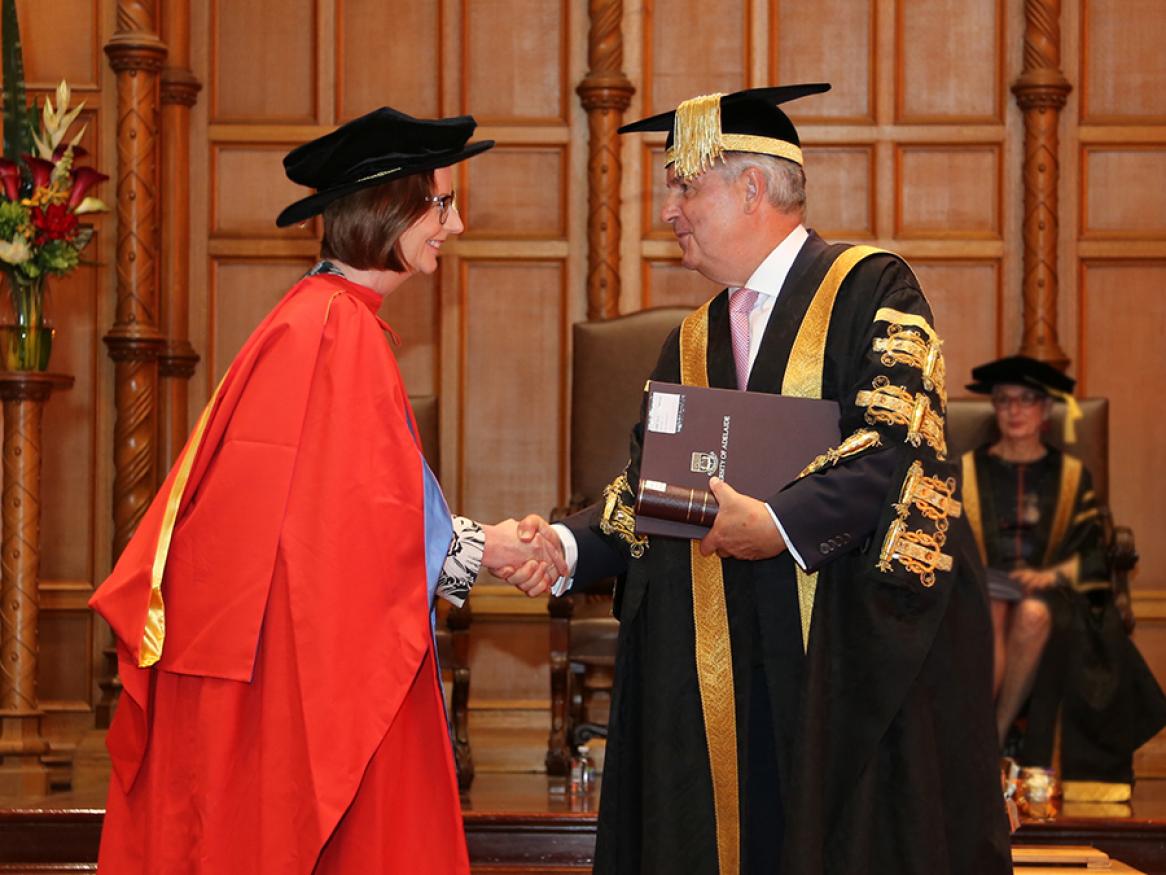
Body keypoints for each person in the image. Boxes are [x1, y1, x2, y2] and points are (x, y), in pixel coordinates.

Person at [510, 85, 1012, 874]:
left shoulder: (872, 289)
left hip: (839, 658)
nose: (667, 210)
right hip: (724, 668)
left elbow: (894, 439)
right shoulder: (693, 338)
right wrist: (564, 545)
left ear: (751, 188)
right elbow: (651, 489)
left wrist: (774, 525)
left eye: (683, 185)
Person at [89, 106, 566, 874]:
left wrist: (479, 544)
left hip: (272, 659)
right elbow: (367, 529)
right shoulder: (335, 332)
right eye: (443, 203)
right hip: (295, 673)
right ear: (392, 207)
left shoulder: (316, 318)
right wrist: (490, 549)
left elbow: (370, 502)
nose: (457, 223)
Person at [963, 354, 1166, 799]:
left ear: (1045, 411)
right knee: (992, 603)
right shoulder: (967, 470)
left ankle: (993, 733)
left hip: (1052, 592)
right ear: (993, 409)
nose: (1015, 411)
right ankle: (981, 739)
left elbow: (1093, 550)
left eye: (1026, 401)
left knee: (1034, 613)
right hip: (979, 586)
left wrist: (1050, 573)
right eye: (1004, 401)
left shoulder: (1071, 475)